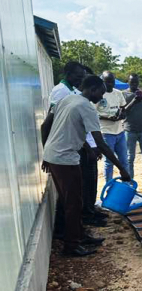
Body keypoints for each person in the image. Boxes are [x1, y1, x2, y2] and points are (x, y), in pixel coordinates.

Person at [41, 75, 131, 256]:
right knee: (73, 203)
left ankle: (79, 236)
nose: (102, 97)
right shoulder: (87, 107)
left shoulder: (67, 99)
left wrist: (47, 154)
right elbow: (102, 143)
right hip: (65, 158)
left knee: (73, 200)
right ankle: (71, 246)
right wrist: (121, 168)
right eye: (101, 93)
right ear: (92, 89)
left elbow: (47, 127)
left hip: (54, 155)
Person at [49, 62, 107, 229]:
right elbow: (52, 122)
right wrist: (122, 169)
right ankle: (73, 237)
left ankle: (81, 225)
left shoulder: (73, 95)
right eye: (79, 77)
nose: (80, 81)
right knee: (73, 197)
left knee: (81, 191)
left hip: (71, 149)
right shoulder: (63, 93)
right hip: (68, 152)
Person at [96, 71, 129, 183]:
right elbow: (94, 114)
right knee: (109, 162)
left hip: (120, 131)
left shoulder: (118, 93)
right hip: (106, 132)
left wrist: (121, 115)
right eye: (107, 82)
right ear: (102, 82)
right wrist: (108, 118)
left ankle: (126, 185)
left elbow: (123, 108)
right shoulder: (98, 94)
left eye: (112, 81)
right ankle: (109, 186)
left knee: (124, 160)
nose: (110, 84)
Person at [122, 74, 142, 192]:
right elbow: (123, 111)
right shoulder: (123, 94)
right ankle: (131, 184)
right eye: (132, 82)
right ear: (128, 82)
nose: (134, 85)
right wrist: (134, 101)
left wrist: (139, 100)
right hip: (129, 130)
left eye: (136, 82)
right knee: (130, 158)